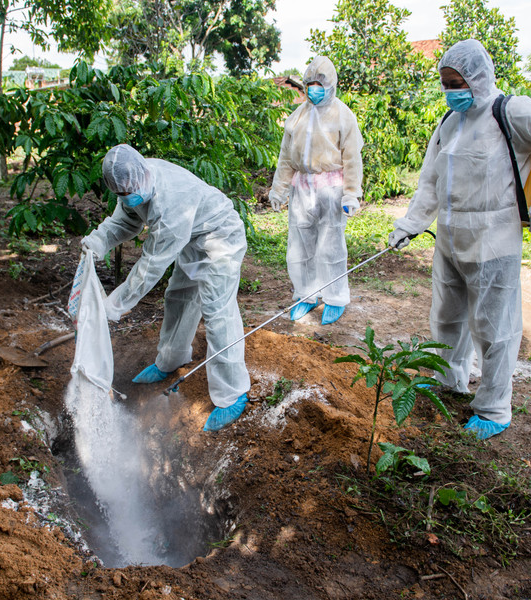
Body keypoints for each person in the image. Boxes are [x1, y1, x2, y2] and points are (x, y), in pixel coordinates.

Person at [388, 39, 531, 440]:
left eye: (456, 82)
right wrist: (410, 224)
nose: (450, 91)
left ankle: (494, 408)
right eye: (444, 84)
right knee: (447, 318)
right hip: (450, 237)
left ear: (477, 78)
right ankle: (448, 381)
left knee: (495, 327)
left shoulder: (511, 112)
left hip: (494, 239)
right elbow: (430, 181)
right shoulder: (448, 124)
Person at [81, 144, 251, 432]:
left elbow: (151, 266)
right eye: (122, 195)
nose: (128, 198)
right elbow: (125, 220)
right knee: (179, 296)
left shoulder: (172, 200)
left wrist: (116, 303)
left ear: (143, 176)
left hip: (220, 237)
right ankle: (171, 360)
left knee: (216, 308)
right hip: (192, 238)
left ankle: (232, 392)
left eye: (128, 193)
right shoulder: (133, 181)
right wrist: (99, 240)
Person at [268, 56, 364, 325]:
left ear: (330, 85)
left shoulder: (343, 115)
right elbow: (286, 156)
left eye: (319, 84)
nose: (314, 89)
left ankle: (334, 297)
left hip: (331, 188)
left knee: (331, 246)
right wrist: (279, 189)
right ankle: (306, 295)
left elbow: (352, 157)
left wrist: (351, 193)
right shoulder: (297, 117)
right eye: (310, 83)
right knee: (299, 245)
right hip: (302, 187)